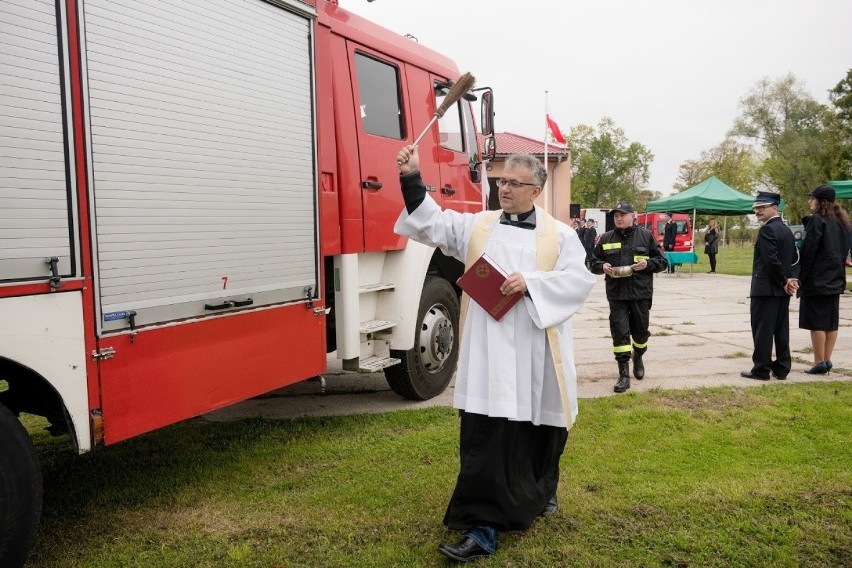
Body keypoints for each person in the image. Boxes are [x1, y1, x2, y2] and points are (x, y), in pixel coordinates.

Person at [394, 147, 596, 562]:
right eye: (501, 181)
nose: (503, 189)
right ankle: (482, 527)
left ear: (535, 190)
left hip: (534, 349)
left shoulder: (560, 235)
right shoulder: (479, 226)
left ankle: (540, 493)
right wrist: (412, 178)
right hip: (487, 353)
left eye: (513, 183)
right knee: (486, 437)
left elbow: (578, 281)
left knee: (540, 432)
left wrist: (532, 283)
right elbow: (431, 222)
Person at [588, 201, 668, 393]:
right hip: (616, 295)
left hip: (640, 293)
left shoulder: (646, 236)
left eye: (623, 214)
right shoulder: (606, 238)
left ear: (634, 216)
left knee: (640, 334)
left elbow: (662, 262)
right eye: (616, 215)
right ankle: (623, 374)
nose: (619, 218)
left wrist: (647, 264)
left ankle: (638, 355)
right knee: (620, 333)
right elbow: (592, 261)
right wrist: (602, 267)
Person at [789, 185, 851, 374]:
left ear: (820, 201)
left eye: (812, 198)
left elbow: (809, 251)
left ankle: (818, 362)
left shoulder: (817, 220)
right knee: (831, 321)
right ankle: (827, 359)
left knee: (817, 321)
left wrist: (800, 276)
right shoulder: (843, 222)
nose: (810, 202)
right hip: (836, 277)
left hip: (818, 279)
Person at [740, 191, 797, 381]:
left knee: (762, 330)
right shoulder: (786, 230)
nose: (757, 211)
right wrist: (789, 280)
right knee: (781, 330)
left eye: (762, 207)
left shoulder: (767, 230)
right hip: (781, 289)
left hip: (766, 289)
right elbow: (795, 259)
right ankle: (782, 368)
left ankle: (761, 369)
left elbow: (771, 261)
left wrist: (783, 280)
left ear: (774, 207)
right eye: (756, 208)